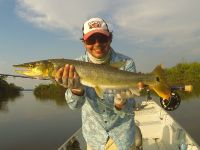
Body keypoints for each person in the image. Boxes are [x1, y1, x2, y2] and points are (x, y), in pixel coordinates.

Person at [55, 17, 138, 150]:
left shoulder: (127, 63)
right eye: (91, 40)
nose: (97, 44)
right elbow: (74, 106)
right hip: (94, 138)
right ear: (84, 42)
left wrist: (120, 104)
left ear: (110, 39)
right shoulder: (73, 67)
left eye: (102, 38)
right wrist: (76, 90)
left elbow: (131, 105)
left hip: (123, 136)